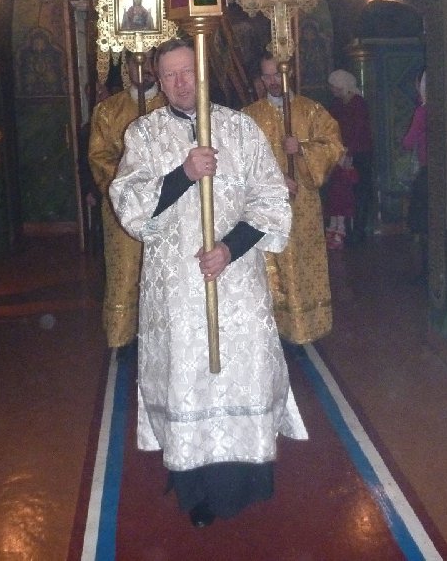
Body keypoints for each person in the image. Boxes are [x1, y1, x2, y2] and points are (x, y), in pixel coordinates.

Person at [109, 37, 307, 527]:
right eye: (170, 74)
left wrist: (229, 248)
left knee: (244, 372)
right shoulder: (144, 134)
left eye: (188, 71)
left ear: (203, 73)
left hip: (237, 284)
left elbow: (270, 200)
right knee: (189, 380)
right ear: (158, 80)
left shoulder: (240, 129)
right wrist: (182, 173)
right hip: (177, 291)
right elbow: (129, 206)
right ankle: (194, 489)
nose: (181, 82)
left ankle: (250, 478)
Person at [242, 54, 343, 342]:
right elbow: (239, 162)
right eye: (267, 76)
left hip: (303, 205)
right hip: (264, 206)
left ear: (289, 74)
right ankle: (268, 328)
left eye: (277, 74)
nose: (273, 81)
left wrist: (301, 149)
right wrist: (274, 183)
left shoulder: (311, 111)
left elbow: (334, 146)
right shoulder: (249, 116)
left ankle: (304, 326)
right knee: (267, 265)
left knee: (301, 263)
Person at [89, 49, 165, 347]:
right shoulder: (108, 110)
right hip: (123, 210)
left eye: (150, 60)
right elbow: (99, 157)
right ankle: (124, 337)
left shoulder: (171, 105)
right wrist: (130, 185)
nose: (144, 68)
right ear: (127, 67)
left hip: (167, 206)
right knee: (126, 270)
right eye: (137, 61)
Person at [327, 69, 373, 244]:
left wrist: (349, 151)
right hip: (342, 153)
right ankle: (344, 230)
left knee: (359, 193)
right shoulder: (337, 104)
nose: (332, 89)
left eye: (334, 86)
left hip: (360, 154)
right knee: (343, 193)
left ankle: (358, 231)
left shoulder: (358, 103)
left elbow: (359, 130)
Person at [402, 67, 428, 283]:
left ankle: (427, 272)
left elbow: (408, 141)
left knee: (423, 223)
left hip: (427, 172)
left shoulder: (423, 111)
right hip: (442, 172)